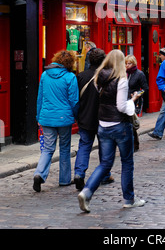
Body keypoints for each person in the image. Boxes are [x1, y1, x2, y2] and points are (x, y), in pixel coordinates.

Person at [78, 49, 145, 213]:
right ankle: (129, 199)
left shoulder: (99, 77)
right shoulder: (121, 79)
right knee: (127, 162)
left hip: (103, 124)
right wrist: (133, 100)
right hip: (119, 125)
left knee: (105, 163)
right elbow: (122, 106)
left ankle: (87, 192)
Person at [33, 50, 79, 192]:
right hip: (64, 119)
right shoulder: (70, 77)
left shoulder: (45, 75)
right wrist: (77, 116)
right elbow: (74, 100)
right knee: (64, 148)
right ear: (70, 63)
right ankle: (64, 180)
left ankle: (39, 173)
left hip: (46, 117)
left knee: (47, 148)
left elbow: (40, 98)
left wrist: (38, 117)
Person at [74, 48, 113, 191]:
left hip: (85, 117)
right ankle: (105, 174)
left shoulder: (81, 76)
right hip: (104, 117)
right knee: (104, 147)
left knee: (84, 146)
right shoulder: (107, 76)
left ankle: (79, 174)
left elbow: (75, 98)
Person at [125, 55, 149, 152]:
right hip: (123, 100)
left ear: (134, 63)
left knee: (131, 123)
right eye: (126, 63)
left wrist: (137, 94)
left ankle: (135, 144)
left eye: (129, 63)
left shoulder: (139, 74)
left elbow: (145, 88)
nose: (127, 65)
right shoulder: (123, 74)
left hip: (133, 101)